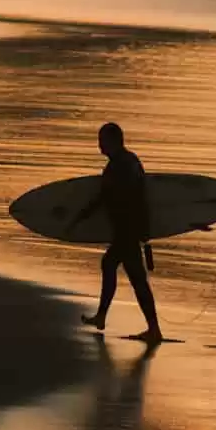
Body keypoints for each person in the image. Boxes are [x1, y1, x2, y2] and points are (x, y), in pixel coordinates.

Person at [68, 123, 163, 343]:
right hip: (131, 229)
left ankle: (149, 328)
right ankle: (149, 327)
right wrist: (145, 229)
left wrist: (79, 217)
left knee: (118, 268)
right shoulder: (131, 161)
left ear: (113, 141)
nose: (99, 145)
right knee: (127, 274)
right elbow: (142, 196)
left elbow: (105, 198)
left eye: (102, 141)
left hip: (127, 230)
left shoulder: (119, 166)